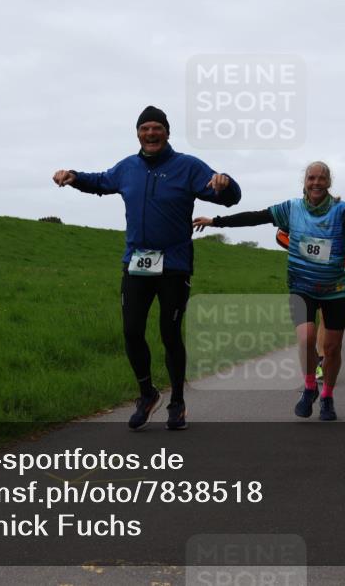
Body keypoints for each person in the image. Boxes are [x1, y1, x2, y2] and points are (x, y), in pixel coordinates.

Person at [53, 105, 241, 431]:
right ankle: (147, 394)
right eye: (145, 128)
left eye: (157, 128)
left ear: (167, 132)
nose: (150, 133)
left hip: (174, 265)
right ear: (138, 133)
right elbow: (101, 181)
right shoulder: (128, 167)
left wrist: (227, 184)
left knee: (170, 333)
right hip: (137, 263)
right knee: (131, 331)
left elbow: (227, 196)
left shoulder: (188, 166)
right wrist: (74, 177)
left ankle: (177, 401)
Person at [194, 162, 345, 421]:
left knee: (332, 348)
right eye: (311, 178)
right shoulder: (291, 209)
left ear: (329, 182)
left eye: (321, 178)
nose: (316, 183)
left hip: (335, 289)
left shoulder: (342, 211)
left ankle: (327, 396)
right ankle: (309, 387)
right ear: (304, 182)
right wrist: (216, 221)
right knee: (306, 337)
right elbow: (256, 217)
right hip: (301, 286)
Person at [278, 228, 325, 378]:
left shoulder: (335, 216)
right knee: (306, 332)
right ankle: (314, 359)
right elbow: (280, 235)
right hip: (301, 278)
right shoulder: (295, 215)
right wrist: (300, 250)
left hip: (327, 276)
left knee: (324, 317)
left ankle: (321, 360)